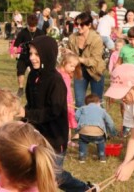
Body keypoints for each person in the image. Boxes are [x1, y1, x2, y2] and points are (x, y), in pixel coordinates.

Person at [25, 35, 94, 191]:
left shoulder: (56, 80)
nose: (33, 58)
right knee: (38, 174)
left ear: (47, 54)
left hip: (54, 138)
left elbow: (54, 111)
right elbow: (31, 104)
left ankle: (84, 189)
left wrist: (27, 114)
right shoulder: (32, 76)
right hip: (36, 136)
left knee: (54, 175)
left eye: (37, 54)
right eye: (31, 54)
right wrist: (23, 117)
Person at [67, 12, 106, 107]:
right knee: (79, 102)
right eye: (77, 24)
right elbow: (68, 53)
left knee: (96, 102)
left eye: (82, 25)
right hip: (79, 71)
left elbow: (95, 61)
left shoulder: (96, 39)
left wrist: (78, 59)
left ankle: (98, 121)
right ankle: (80, 121)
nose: (79, 27)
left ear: (89, 25)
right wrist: (66, 52)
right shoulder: (72, 37)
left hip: (96, 71)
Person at [75, 94, 117, 163]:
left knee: (82, 141)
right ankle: (102, 156)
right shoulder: (102, 110)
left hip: (84, 130)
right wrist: (113, 132)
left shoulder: (82, 108)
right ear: (98, 103)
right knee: (100, 141)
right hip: (98, 131)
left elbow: (76, 116)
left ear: (86, 103)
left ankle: (82, 157)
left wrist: (81, 123)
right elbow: (110, 122)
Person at [11, 14, 45, 97]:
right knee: (20, 71)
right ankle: (21, 88)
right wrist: (15, 49)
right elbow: (16, 43)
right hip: (24, 55)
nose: (32, 28)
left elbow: (45, 44)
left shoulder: (40, 33)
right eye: (30, 26)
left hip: (36, 57)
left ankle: (35, 88)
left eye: (33, 26)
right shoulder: (23, 32)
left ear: (36, 24)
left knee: (37, 73)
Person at [57, 52, 80, 147]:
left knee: (68, 122)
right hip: (61, 101)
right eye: (71, 66)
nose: (73, 69)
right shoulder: (58, 75)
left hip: (68, 101)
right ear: (64, 63)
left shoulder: (67, 74)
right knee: (61, 121)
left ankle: (67, 140)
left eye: (74, 66)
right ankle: (60, 139)